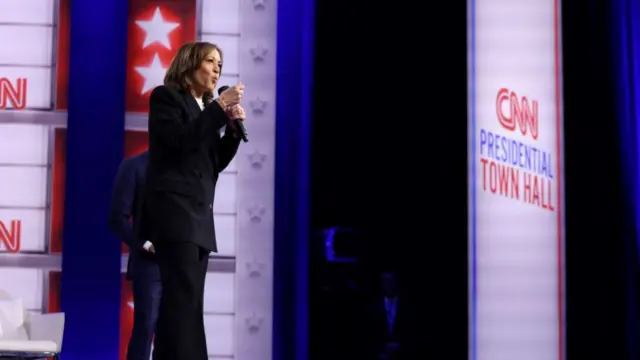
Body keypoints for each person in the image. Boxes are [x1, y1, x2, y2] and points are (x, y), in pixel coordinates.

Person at [137, 41, 245, 360]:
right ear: (189, 63)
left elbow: (211, 165)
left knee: (186, 305)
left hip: (199, 221)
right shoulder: (166, 97)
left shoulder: (204, 112)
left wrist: (233, 132)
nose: (216, 69)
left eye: (220, 65)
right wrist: (217, 109)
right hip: (175, 217)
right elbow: (180, 143)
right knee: (183, 302)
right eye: (210, 61)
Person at [108, 150, 161, 360]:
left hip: (181, 264)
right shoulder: (134, 166)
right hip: (150, 264)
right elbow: (117, 218)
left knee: (176, 333)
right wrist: (145, 244)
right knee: (146, 327)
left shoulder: (185, 166)